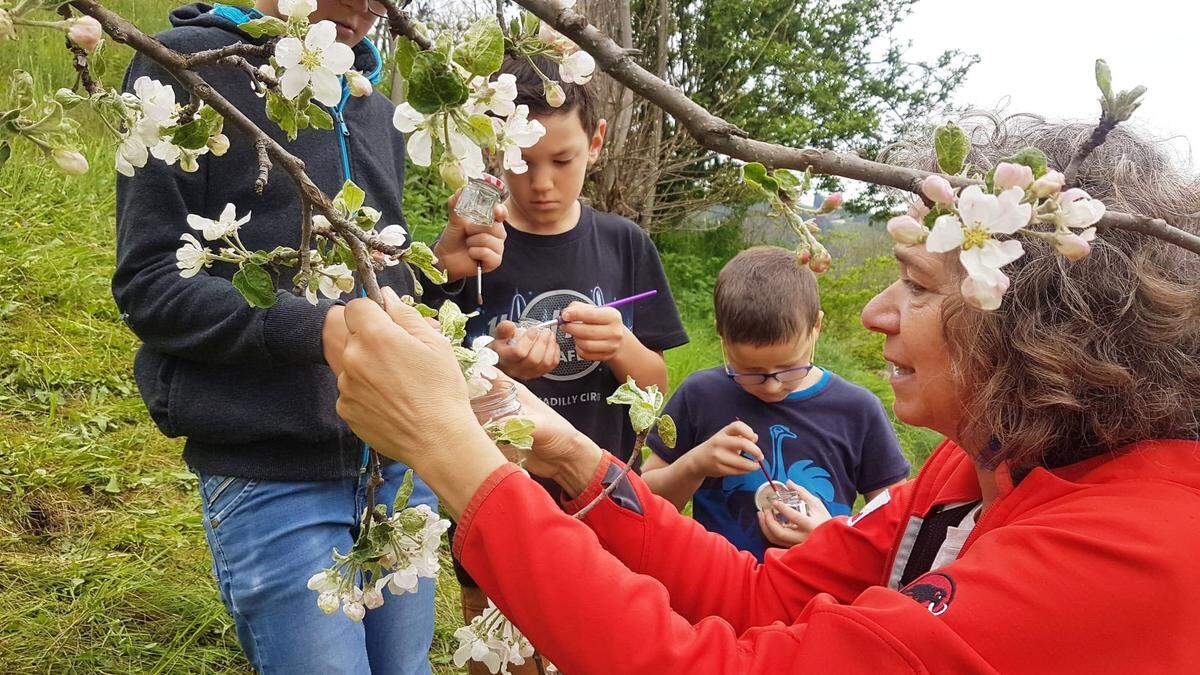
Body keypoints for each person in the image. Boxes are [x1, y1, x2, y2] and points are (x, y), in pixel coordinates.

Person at [334, 113, 1200, 673]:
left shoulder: (1132, 554)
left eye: (920, 287)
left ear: (1042, 328)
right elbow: (758, 596)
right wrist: (571, 453)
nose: (876, 314)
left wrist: (452, 455)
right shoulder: (977, 468)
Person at [112, 2, 505, 672]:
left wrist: (436, 268)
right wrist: (310, 327)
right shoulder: (182, 67)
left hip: (395, 468)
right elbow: (150, 282)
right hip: (272, 472)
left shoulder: (373, 104)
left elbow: (373, 282)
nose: (365, 7)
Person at [424, 54, 687, 661]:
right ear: (497, 151)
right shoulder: (475, 247)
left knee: (606, 650)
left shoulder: (625, 244)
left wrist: (620, 345)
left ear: (595, 143)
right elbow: (433, 383)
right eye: (523, 162)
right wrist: (497, 366)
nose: (541, 183)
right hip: (498, 506)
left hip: (599, 502)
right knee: (504, 651)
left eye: (562, 161)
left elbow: (654, 388)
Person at [641, 246, 909, 557]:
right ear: (722, 337)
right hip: (716, 586)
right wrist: (693, 465)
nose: (771, 385)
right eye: (749, 370)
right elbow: (644, 500)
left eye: (789, 367)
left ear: (816, 327)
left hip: (814, 593)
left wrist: (829, 536)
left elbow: (896, 528)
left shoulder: (858, 411)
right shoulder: (700, 395)